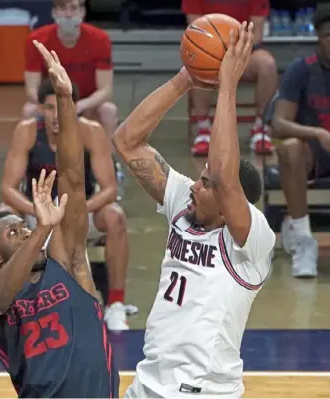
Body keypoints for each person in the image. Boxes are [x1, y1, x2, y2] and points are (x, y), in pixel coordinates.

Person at [113, 22, 275, 397]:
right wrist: (184, 80)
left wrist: (228, 85)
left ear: (232, 200)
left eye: (204, 183)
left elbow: (222, 173)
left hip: (202, 390)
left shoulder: (253, 242)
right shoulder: (185, 204)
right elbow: (127, 142)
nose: (194, 185)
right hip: (147, 381)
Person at [0, 41, 119, 397]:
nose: (22, 233)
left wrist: (66, 102)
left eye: (22, 228)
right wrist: (40, 229)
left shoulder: (68, 263)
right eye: (13, 232)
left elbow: (71, 176)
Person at [0, 77, 130, 331]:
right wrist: (37, 211)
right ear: (39, 109)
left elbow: (110, 189)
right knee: (2, 217)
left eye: (62, 106)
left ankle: (115, 305)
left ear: (75, 106)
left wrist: (77, 210)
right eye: (49, 108)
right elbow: (7, 189)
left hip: (80, 213)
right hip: (37, 213)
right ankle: (4, 308)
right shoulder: (26, 131)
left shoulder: (91, 132)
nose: (56, 115)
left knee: (115, 216)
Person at [271, 5, 330, 278]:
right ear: (318, 36)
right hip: (314, 155)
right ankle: (305, 240)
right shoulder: (301, 70)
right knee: (290, 149)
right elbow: (279, 123)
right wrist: (317, 134)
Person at [181, 0, 277, 155]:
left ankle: (261, 128)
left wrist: (236, 52)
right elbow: (196, 28)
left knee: (268, 65)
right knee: (196, 63)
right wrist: (219, 51)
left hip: (244, 51)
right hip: (211, 49)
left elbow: (257, 33)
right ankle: (204, 129)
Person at [23, 0, 118, 144]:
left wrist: (81, 105)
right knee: (29, 111)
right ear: (53, 12)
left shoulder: (100, 39)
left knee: (109, 110)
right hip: (53, 99)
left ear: (83, 12)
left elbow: (106, 90)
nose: (68, 14)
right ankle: (29, 162)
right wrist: (56, 106)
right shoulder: (36, 40)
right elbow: (31, 91)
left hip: (86, 102)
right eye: (62, 8)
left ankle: (110, 162)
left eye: (73, 8)